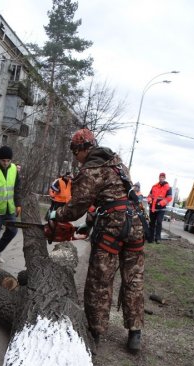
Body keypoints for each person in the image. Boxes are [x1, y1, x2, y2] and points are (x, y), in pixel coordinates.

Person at [48, 128, 145, 352]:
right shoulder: (118, 163)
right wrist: (91, 222)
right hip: (136, 225)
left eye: (75, 153)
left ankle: (96, 331)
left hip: (113, 227)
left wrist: (56, 214)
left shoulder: (90, 170)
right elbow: (114, 197)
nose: (75, 158)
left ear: (83, 149)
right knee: (134, 279)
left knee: (100, 281)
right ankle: (135, 333)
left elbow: (75, 207)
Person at [147, 173, 172, 244]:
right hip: (153, 208)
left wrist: (161, 203)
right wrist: (149, 201)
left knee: (159, 222)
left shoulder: (168, 187)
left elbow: (169, 198)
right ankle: (150, 238)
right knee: (151, 223)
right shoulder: (154, 186)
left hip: (161, 209)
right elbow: (149, 196)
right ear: (159, 178)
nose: (161, 178)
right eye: (160, 177)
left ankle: (158, 238)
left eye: (163, 177)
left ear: (165, 178)